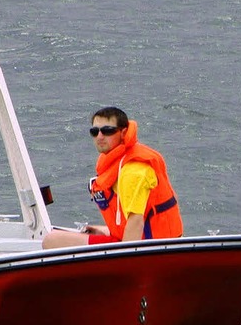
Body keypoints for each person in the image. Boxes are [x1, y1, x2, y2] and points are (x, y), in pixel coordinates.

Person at [42, 106, 183, 249]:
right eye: (95, 131)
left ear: (123, 132)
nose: (100, 136)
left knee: (52, 240)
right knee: (93, 230)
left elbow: (136, 221)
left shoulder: (133, 171)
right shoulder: (120, 160)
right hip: (153, 239)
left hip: (151, 248)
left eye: (108, 131)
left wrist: (126, 263)